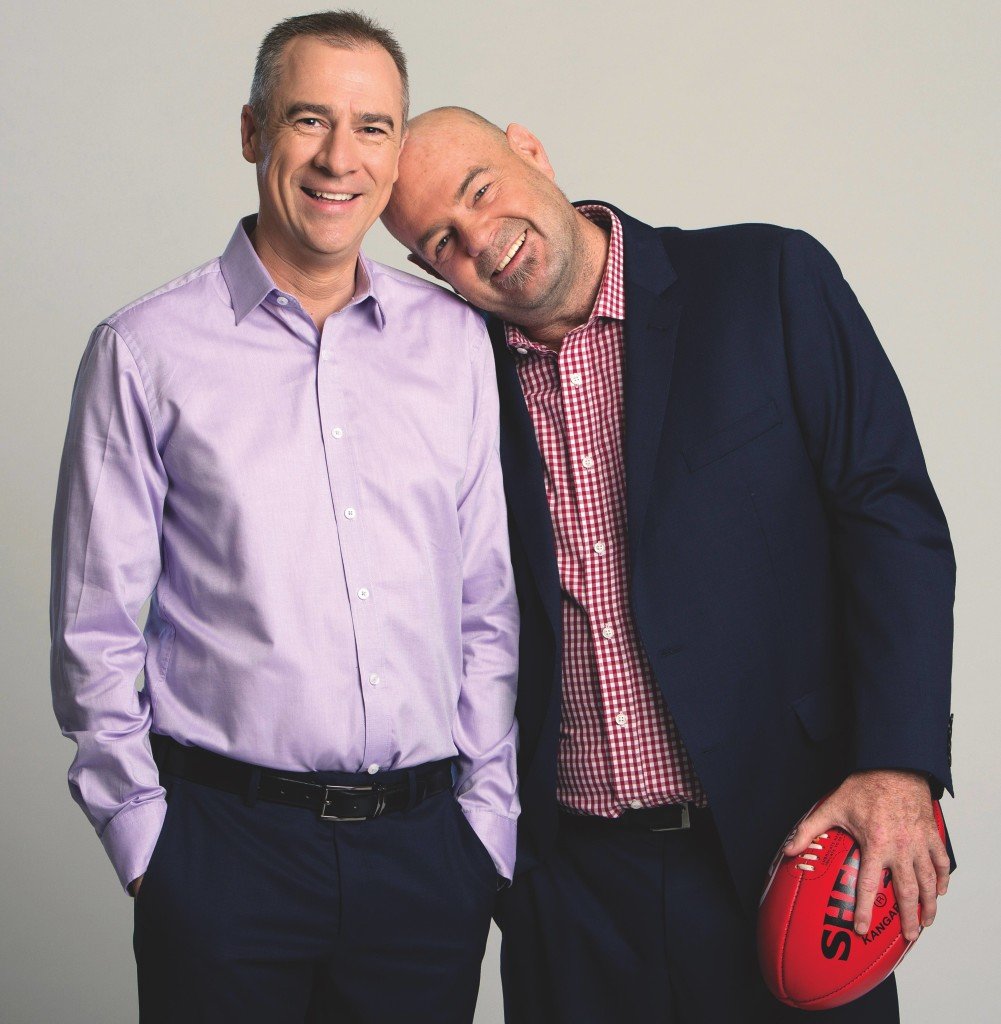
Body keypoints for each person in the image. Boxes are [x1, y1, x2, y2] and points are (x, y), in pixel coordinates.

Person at [382, 107, 955, 1023]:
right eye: (440, 241)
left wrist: (898, 765)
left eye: (480, 191)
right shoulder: (447, 379)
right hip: (569, 895)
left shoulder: (765, 278)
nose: (481, 242)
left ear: (529, 148)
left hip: (789, 853)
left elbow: (890, 520)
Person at [50, 21, 518, 1023]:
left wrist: (484, 825)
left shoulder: (454, 345)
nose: (338, 158)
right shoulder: (144, 353)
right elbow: (93, 632)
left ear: (395, 157)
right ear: (254, 130)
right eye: (309, 120)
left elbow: (485, 602)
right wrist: (147, 844)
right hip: (224, 855)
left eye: (370, 128)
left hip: (426, 859)